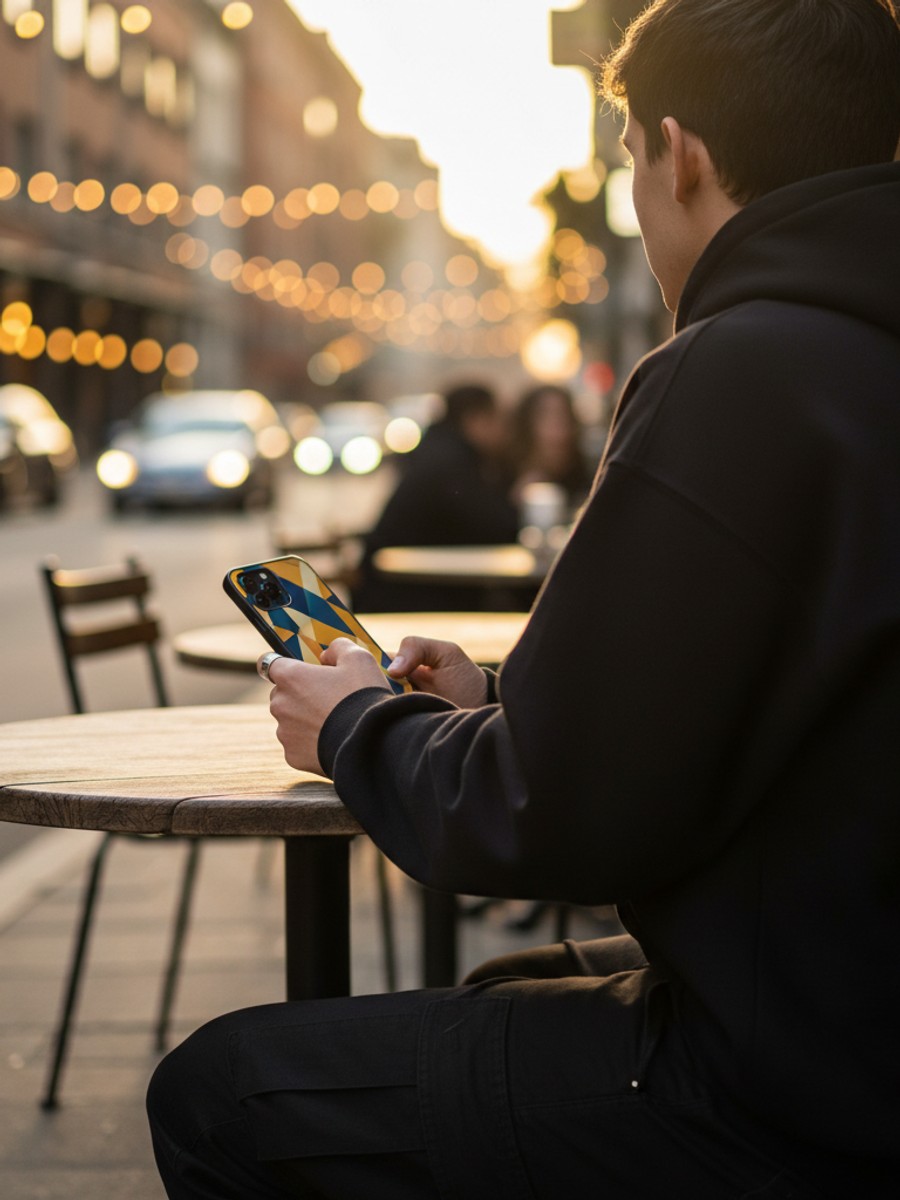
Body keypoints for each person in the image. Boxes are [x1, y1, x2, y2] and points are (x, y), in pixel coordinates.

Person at [147, 1, 900, 1196]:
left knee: (226, 1093)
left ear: (681, 155)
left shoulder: (743, 366)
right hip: (848, 996)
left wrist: (355, 726)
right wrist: (502, 698)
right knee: (505, 991)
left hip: (804, 1088)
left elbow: (546, 819)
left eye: (631, 168)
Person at [351, 382, 520, 611]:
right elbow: (494, 526)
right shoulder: (451, 462)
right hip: (402, 595)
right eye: (498, 421)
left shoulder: (438, 450)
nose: (504, 432)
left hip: (397, 586)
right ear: (476, 419)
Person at [507, 383, 593, 514]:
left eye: (563, 415)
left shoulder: (587, 475)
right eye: (546, 416)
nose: (558, 425)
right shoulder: (503, 475)